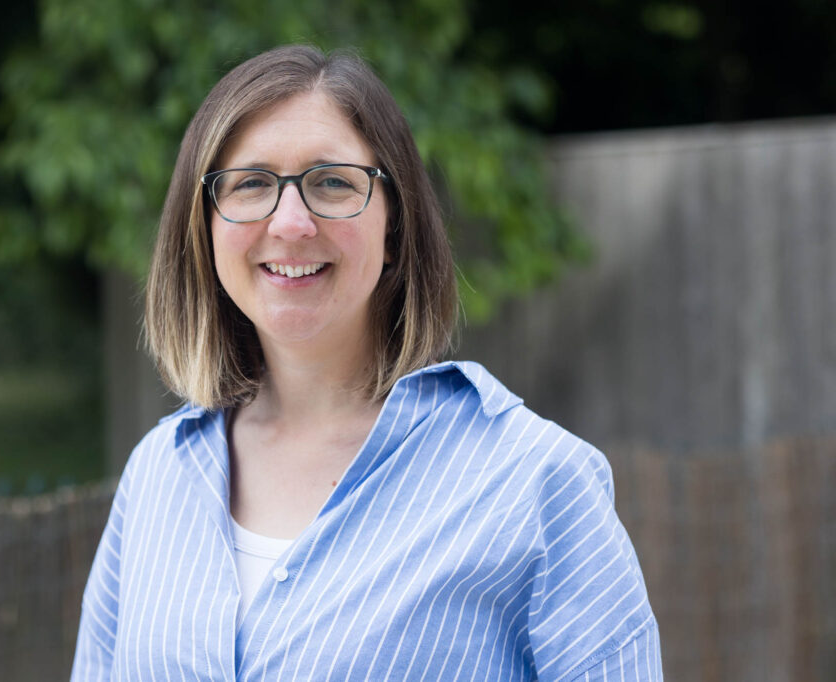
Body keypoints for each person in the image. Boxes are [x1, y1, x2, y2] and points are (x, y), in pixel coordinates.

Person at [71, 45, 663, 681]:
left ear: (395, 227)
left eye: (332, 182)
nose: (291, 222)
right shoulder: (157, 476)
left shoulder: (535, 482)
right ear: (204, 226)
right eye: (250, 183)